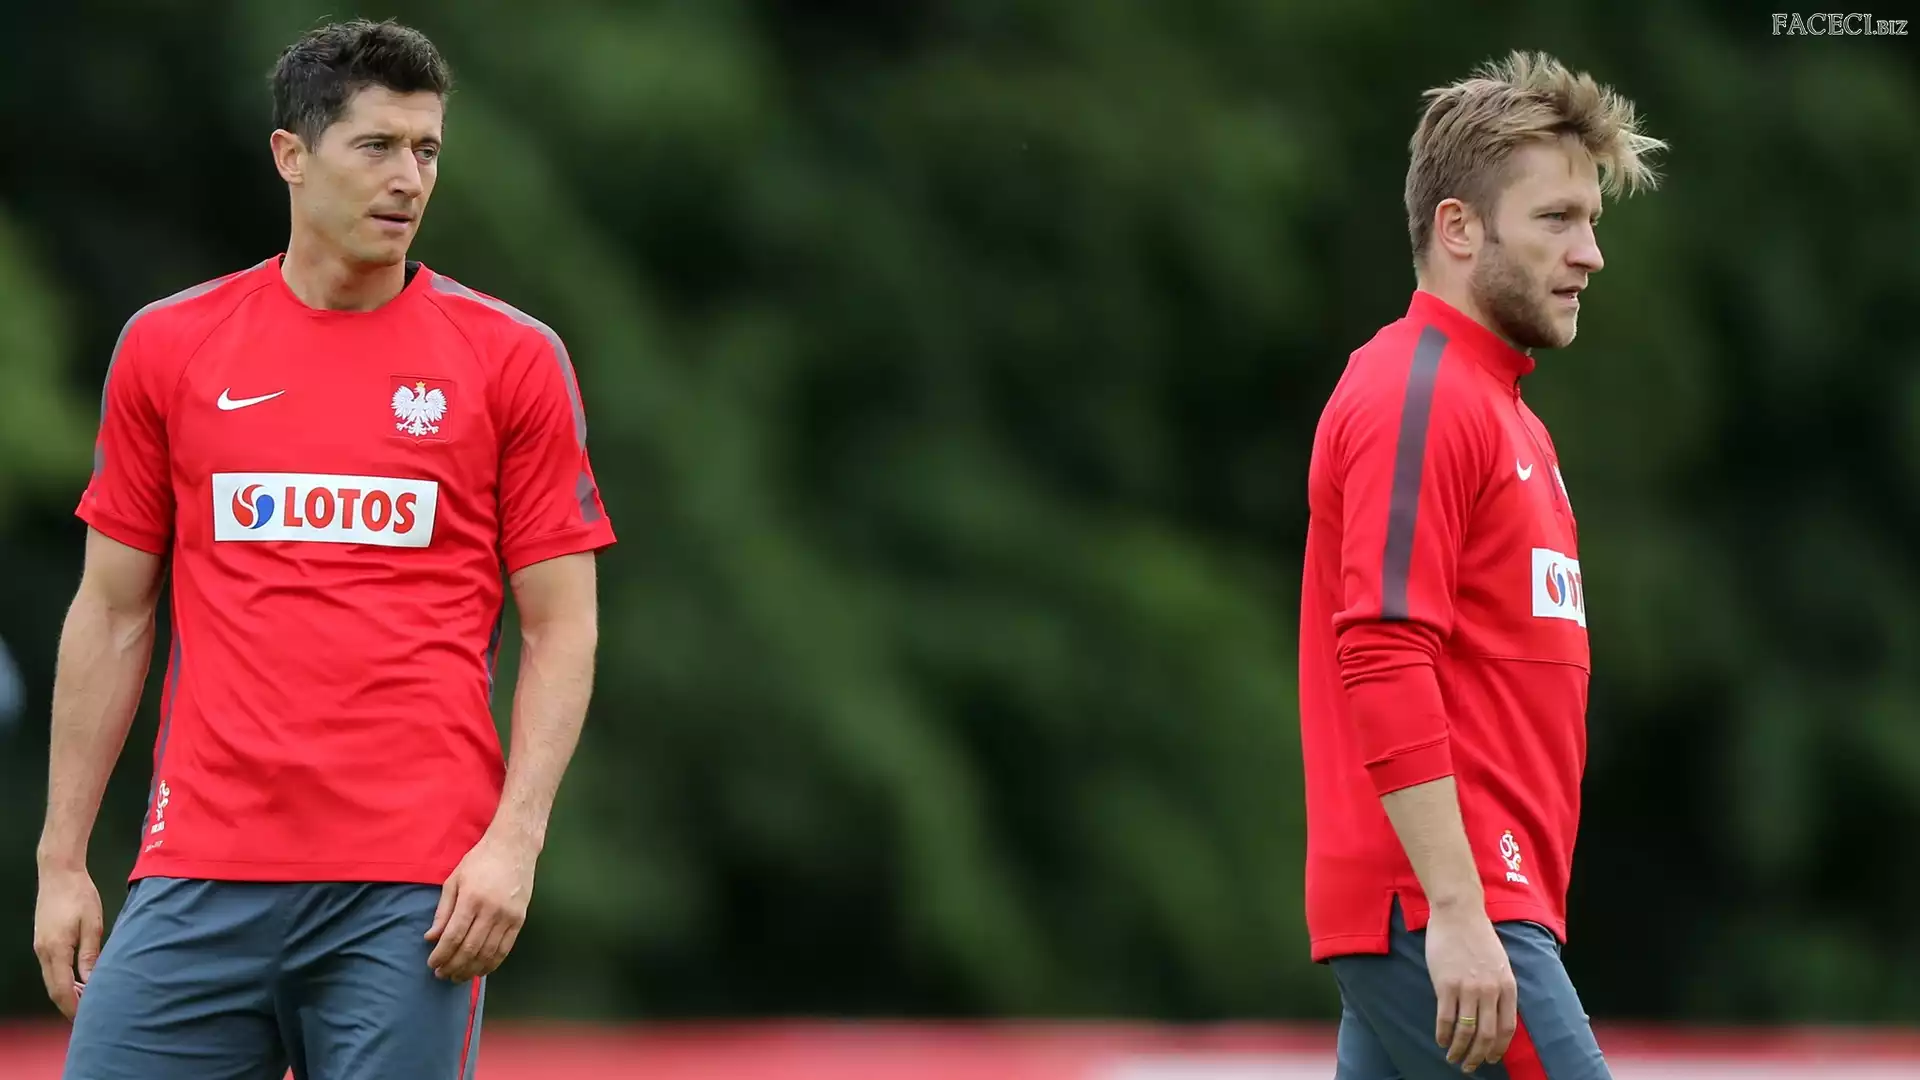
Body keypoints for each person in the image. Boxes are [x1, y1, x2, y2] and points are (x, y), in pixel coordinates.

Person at [33, 18, 615, 1078]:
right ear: (291, 156)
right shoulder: (171, 347)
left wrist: (515, 842)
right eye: (376, 146)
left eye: (427, 150)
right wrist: (61, 859)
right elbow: (113, 611)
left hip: (409, 896)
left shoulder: (512, 360)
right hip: (197, 872)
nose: (408, 179)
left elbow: (561, 626)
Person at [1296, 51, 1664, 1078]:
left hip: (1466, 913)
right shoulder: (1416, 393)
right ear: (1458, 228)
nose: (1590, 253)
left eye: (1592, 221)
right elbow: (1383, 648)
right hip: (1447, 914)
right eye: (1557, 219)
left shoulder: (1505, 415)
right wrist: (1459, 910)